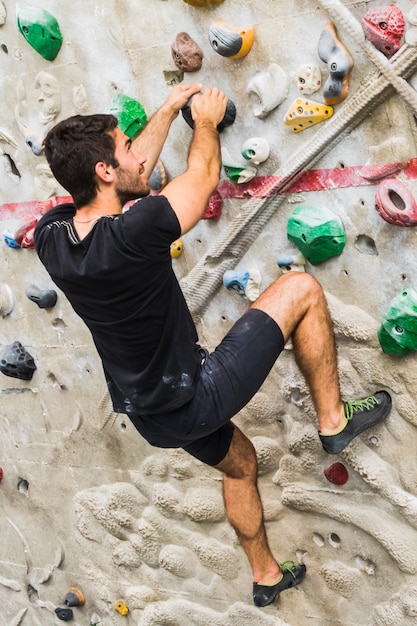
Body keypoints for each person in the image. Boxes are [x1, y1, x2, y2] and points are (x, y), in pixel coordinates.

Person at [34, 83, 392, 608]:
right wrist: (202, 119)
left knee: (241, 462)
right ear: (104, 172)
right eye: (126, 146)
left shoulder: (53, 237)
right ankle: (334, 421)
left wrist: (164, 109)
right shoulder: (136, 232)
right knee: (301, 290)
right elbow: (199, 180)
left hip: (151, 415)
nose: (139, 152)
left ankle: (266, 575)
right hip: (194, 394)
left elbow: (127, 179)